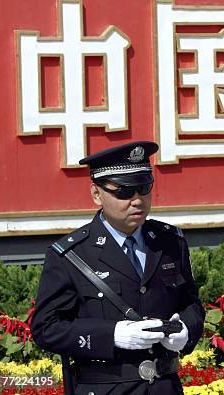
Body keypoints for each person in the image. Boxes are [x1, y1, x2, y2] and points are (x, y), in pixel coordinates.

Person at [31, 141, 205, 395]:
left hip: (164, 386)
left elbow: (191, 303)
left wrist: (187, 330)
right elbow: (46, 329)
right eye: (123, 192)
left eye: (144, 189)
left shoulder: (170, 241)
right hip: (105, 386)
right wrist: (111, 335)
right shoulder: (71, 254)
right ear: (96, 194)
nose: (137, 201)